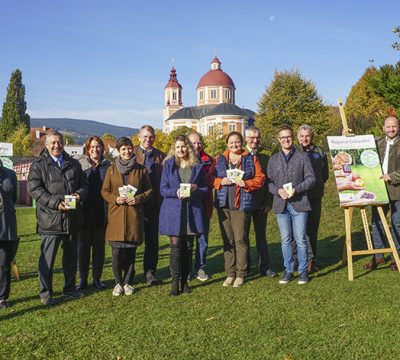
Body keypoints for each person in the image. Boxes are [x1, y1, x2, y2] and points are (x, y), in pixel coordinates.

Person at [28, 131, 88, 305]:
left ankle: (69, 289)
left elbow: (85, 184)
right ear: (46, 145)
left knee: (70, 259)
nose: (57, 145)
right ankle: (46, 293)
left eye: (59, 142)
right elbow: (35, 189)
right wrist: (55, 203)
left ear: (64, 144)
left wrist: (79, 195)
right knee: (47, 260)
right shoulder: (38, 164)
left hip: (72, 219)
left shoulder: (74, 163)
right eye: (53, 142)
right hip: (50, 220)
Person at [210, 131, 265, 287]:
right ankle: (230, 272)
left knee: (240, 239)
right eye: (231, 142)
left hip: (241, 204)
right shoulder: (219, 159)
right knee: (228, 240)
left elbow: (260, 178)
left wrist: (246, 184)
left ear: (242, 143)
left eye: (237, 142)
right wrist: (221, 181)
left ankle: (241, 273)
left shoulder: (250, 158)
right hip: (223, 205)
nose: (234, 145)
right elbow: (209, 177)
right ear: (227, 144)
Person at [101, 137, 153, 296]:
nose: (126, 151)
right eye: (123, 149)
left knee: (131, 253)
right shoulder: (111, 170)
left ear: (133, 149)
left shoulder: (141, 169)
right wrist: (115, 199)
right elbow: (105, 191)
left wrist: (137, 199)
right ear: (118, 151)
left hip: (133, 216)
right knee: (116, 252)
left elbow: (149, 191)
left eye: (129, 148)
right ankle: (118, 283)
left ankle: (128, 282)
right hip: (116, 216)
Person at [159, 135, 207, 296]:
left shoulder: (198, 165)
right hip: (173, 211)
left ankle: (185, 281)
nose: (181, 150)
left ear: (189, 148)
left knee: (188, 247)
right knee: (175, 248)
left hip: (191, 211)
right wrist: (176, 192)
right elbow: (163, 189)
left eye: (184, 146)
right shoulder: (168, 165)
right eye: (178, 147)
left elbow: (205, 190)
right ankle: (174, 282)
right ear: (174, 148)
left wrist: (195, 189)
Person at [267, 125, 315, 285]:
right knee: (285, 239)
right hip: (281, 204)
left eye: (288, 137)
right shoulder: (273, 159)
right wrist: (277, 190)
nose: (286, 140)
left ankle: (302, 271)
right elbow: (268, 182)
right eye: (282, 138)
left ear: (293, 138)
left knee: (300, 239)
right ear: (279, 140)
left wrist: (297, 189)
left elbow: (311, 179)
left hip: (299, 203)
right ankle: (288, 270)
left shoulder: (302, 157)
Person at [364, 116, 400, 270]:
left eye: (394, 126)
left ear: (398, 127)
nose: (391, 129)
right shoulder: (377, 142)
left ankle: (396, 256)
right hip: (378, 190)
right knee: (376, 223)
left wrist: (391, 177)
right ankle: (378, 256)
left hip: (397, 191)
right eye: (388, 126)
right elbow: (360, 145)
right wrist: (347, 136)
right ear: (383, 128)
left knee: (397, 224)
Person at [292, 124, 329, 272]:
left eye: (307, 136)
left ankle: (311, 260)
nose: (304, 139)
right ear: (297, 137)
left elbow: (325, 174)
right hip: (298, 197)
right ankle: (295, 260)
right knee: (297, 230)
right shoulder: (293, 152)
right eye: (301, 136)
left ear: (311, 137)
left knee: (312, 229)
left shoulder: (319, 151)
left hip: (314, 195)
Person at [133, 125, 166, 286]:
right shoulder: (130, 153)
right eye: (145, 136)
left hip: (153, 204)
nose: (148, 139)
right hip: (135, 204)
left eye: (151, 137)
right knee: (132, 240)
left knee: (152, 241)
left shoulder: (161, 156)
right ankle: (129, 273)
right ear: (139, 137)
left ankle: (150, 272)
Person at [77, 136, 111, 290]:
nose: (95, 150)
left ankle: (97, 278)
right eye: (92, 147)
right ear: (87, 149)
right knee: (83, 248)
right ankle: (83, 279)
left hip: (101, 212)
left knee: (99, 248)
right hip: (83, 212)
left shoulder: (109, 166)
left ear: (102, 149)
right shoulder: (80, 165)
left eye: (98, 147)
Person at [244, 126, 277, 277]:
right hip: (244, 202)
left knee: (261, 236)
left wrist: (268, 202)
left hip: (261, 202)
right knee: (242, 236)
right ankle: (245, 267)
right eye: (251, 138)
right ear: (246, 139)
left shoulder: (266, 156)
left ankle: (265, 266)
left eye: (257, 138)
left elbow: (271, 180)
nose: (255, 140)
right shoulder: (240, 154)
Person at [187, 131, 213, 281]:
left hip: (204, 203)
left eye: (199, 143)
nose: (197, 146)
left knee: (202, 240)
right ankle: (188, 268)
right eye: (193, 143)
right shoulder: (182, 161)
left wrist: (201, 185)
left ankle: (200, 268)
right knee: (188, 239)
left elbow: (212, 180)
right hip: (189, 205)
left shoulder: (208, 160)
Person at [0, 159, 18, 309]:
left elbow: (13, 199)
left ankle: (2, 297)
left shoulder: (10, 174)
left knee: (4, 263)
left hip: (6, 224)